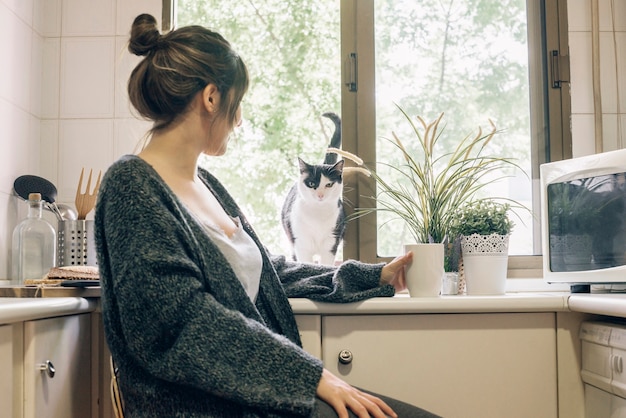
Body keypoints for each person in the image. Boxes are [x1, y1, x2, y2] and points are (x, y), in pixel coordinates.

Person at [95, 13, 440, 418]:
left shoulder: (208, 186)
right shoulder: (131, 185)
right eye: (236, 104)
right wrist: (312, 376)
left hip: (261, 395)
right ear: (211, 98)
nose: (238, 120)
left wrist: (373, 276)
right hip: (209, 407)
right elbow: (182, 323)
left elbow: (268, 274)